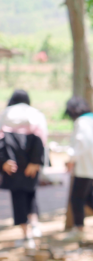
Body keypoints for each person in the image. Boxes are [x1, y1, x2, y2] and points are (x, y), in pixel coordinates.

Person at [0, 90, 47, 248]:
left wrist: (3, 161)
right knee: (31, 193)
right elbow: (42, 138)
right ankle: (34, 226)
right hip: (30, 161)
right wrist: (36, 161)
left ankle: (26, 235)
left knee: (18, 197)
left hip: (11, 163)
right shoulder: (35, 114)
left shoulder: (6, 114)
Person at [63, 96, 93, 242]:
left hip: (86, 167)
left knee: (76, 198)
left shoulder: (82, 122)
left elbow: (82, 143)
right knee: (88, 198)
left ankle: (79, 229)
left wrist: (71, 159)